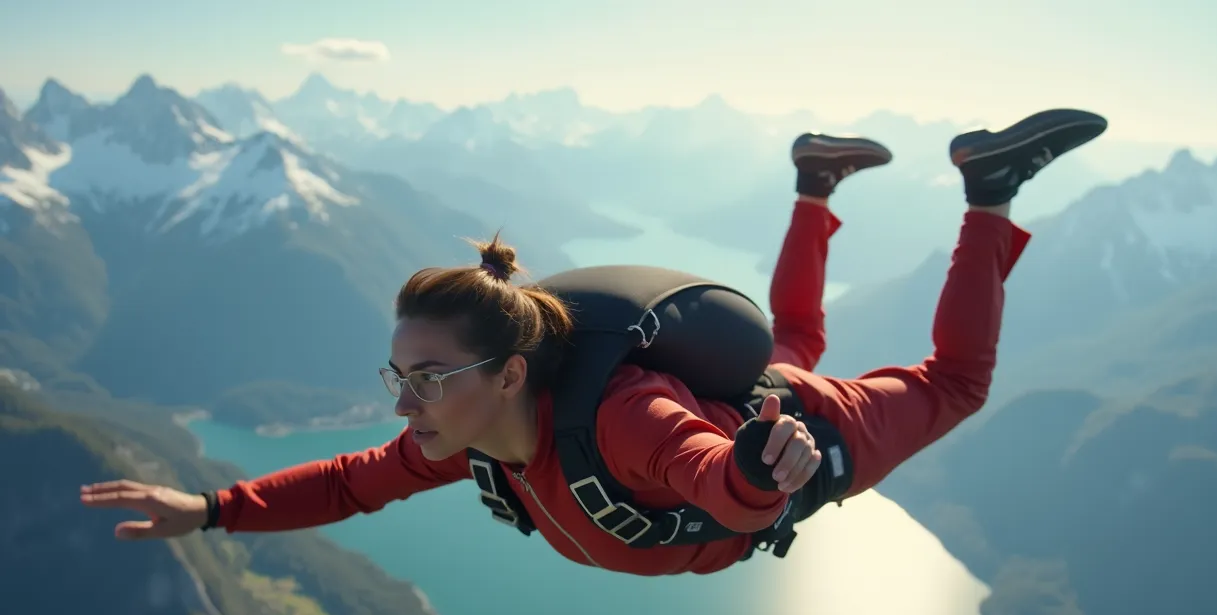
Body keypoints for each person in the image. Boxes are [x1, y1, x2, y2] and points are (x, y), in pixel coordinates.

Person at [80, 108, 1107, 577]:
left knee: (956, 382)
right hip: (754, 409)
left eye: (427, 379)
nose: (405, 405)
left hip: (802, 434)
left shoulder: (622, 419)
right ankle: (815, 182)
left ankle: (987, 193)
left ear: (509, 373)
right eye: (400, 377)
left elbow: (704, 474)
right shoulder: (472, 432)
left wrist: (759, 468)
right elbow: (349, 484)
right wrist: (209, 509)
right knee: (792, 336)